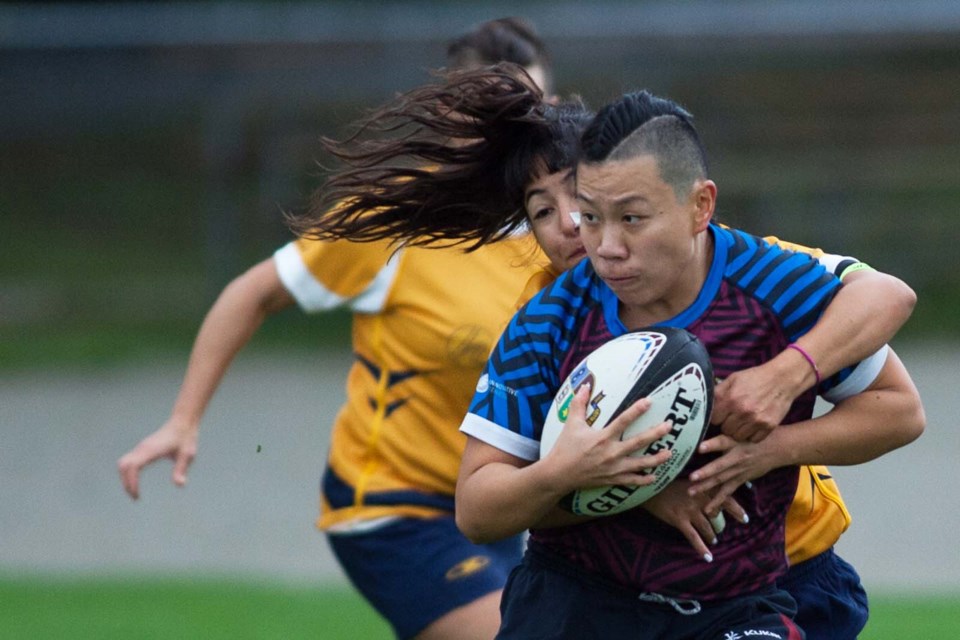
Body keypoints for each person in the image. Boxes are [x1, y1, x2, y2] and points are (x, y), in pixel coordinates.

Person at [298, 66, 918, 639]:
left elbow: (887, 305)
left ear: (698, 206)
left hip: (776, 574)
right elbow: (484, 505)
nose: (587, 234)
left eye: (619, 214)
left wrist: (782, 391)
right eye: (556, 212)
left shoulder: (763, 276)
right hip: (585, 596)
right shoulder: (545, 319)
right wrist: (631, 479)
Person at [117, 18, 557, 640]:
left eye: (533, 114)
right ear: (456, 123)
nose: (521, 136)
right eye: (500, 119)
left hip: (497, 506)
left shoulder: (564, 237)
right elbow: (252, 293)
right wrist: (183, 419)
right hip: (393, 508)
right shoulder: (396, 223)